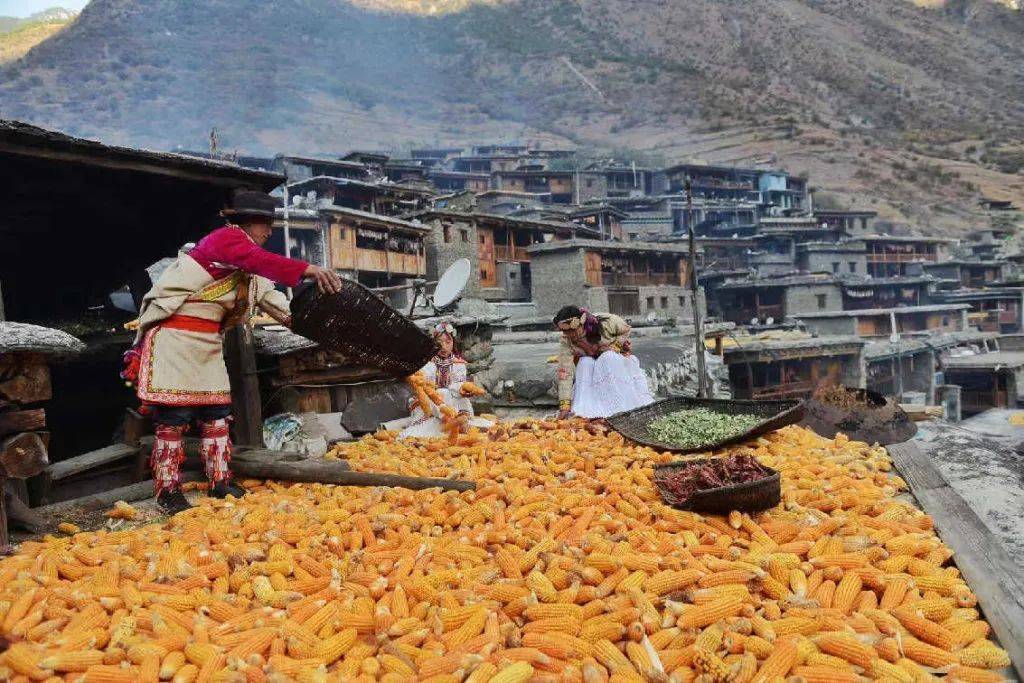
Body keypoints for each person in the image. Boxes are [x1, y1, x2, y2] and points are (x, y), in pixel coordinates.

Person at [123, 189, 343, 513]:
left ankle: (220, 480)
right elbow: (262, 262)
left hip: (208, 344)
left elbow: (274, 301)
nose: (268, 231)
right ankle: (167, 490)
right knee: (174, 418)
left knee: (216, 416)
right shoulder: (225, 241)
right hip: (177, 338)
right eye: (264, 224)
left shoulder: (247, 265)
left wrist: (312, 324)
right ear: (245, 222)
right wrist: (309, 269)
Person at [383, 323, 491, 437]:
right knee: (441, 393)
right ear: (434, 344)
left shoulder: (459, 364)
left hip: (450, 399)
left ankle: (461, 420)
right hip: (429, 402)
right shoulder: (426, 362)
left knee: (462, 400)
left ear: (453, 343)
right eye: (440, 343)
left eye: (448, 342)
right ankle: (450, 421)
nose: (444, 347)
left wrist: (462, 389)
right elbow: (424, 387)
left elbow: (457, 384)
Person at [553, 305, 654, 420]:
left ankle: (619, 407)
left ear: (581, 322)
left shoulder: (605, 323)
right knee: (584, 363)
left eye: (572, 330)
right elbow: (565, 372)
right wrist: (564, 406)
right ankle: (587, 409)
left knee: (607, 357)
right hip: (592, 363)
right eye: (565, 331)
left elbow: (625, 329)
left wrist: (615, 346)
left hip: (613, 361)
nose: (569, 334)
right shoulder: (566, 341)